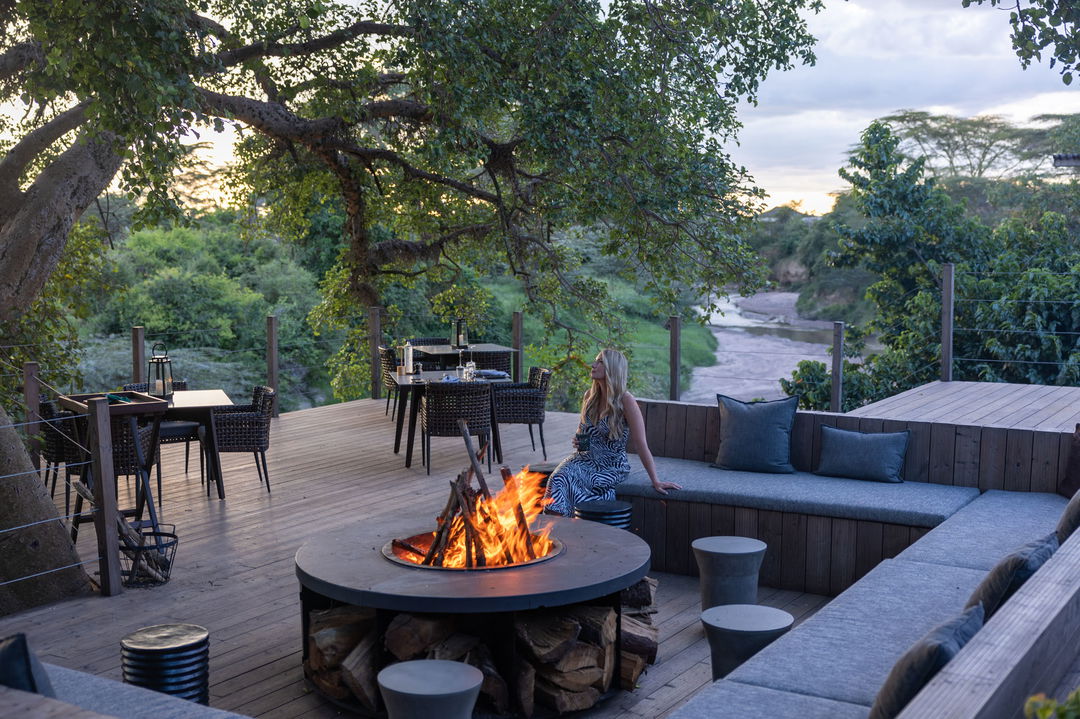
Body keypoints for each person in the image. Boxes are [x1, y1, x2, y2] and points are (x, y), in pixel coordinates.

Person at [543, 349, 680, 516]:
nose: (593, 365)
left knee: (576, 480)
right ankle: (556, 532)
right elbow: (582, 430)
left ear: (612, 368)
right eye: (595, 361)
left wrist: (655, 481)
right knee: (558, 478)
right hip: (584, 458)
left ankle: (580, 524)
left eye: (600, 362)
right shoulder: (590, 396)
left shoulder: (626, 400)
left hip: (611, 465)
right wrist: (578, 441)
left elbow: (641, 444)